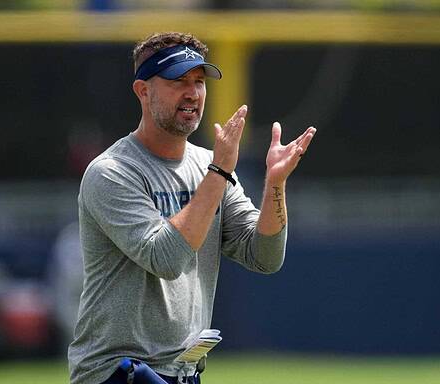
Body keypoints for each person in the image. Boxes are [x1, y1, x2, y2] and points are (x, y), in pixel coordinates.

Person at [68, 32, 316, 384]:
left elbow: (264, 256)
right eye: (178, 81)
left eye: (199, 82)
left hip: (182, 372)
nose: (192, 92)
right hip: (118, 371)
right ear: (143, 90)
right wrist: (219, 171)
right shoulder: (112, 172)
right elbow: (166, 259)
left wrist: (275, 183)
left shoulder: (209, 165)